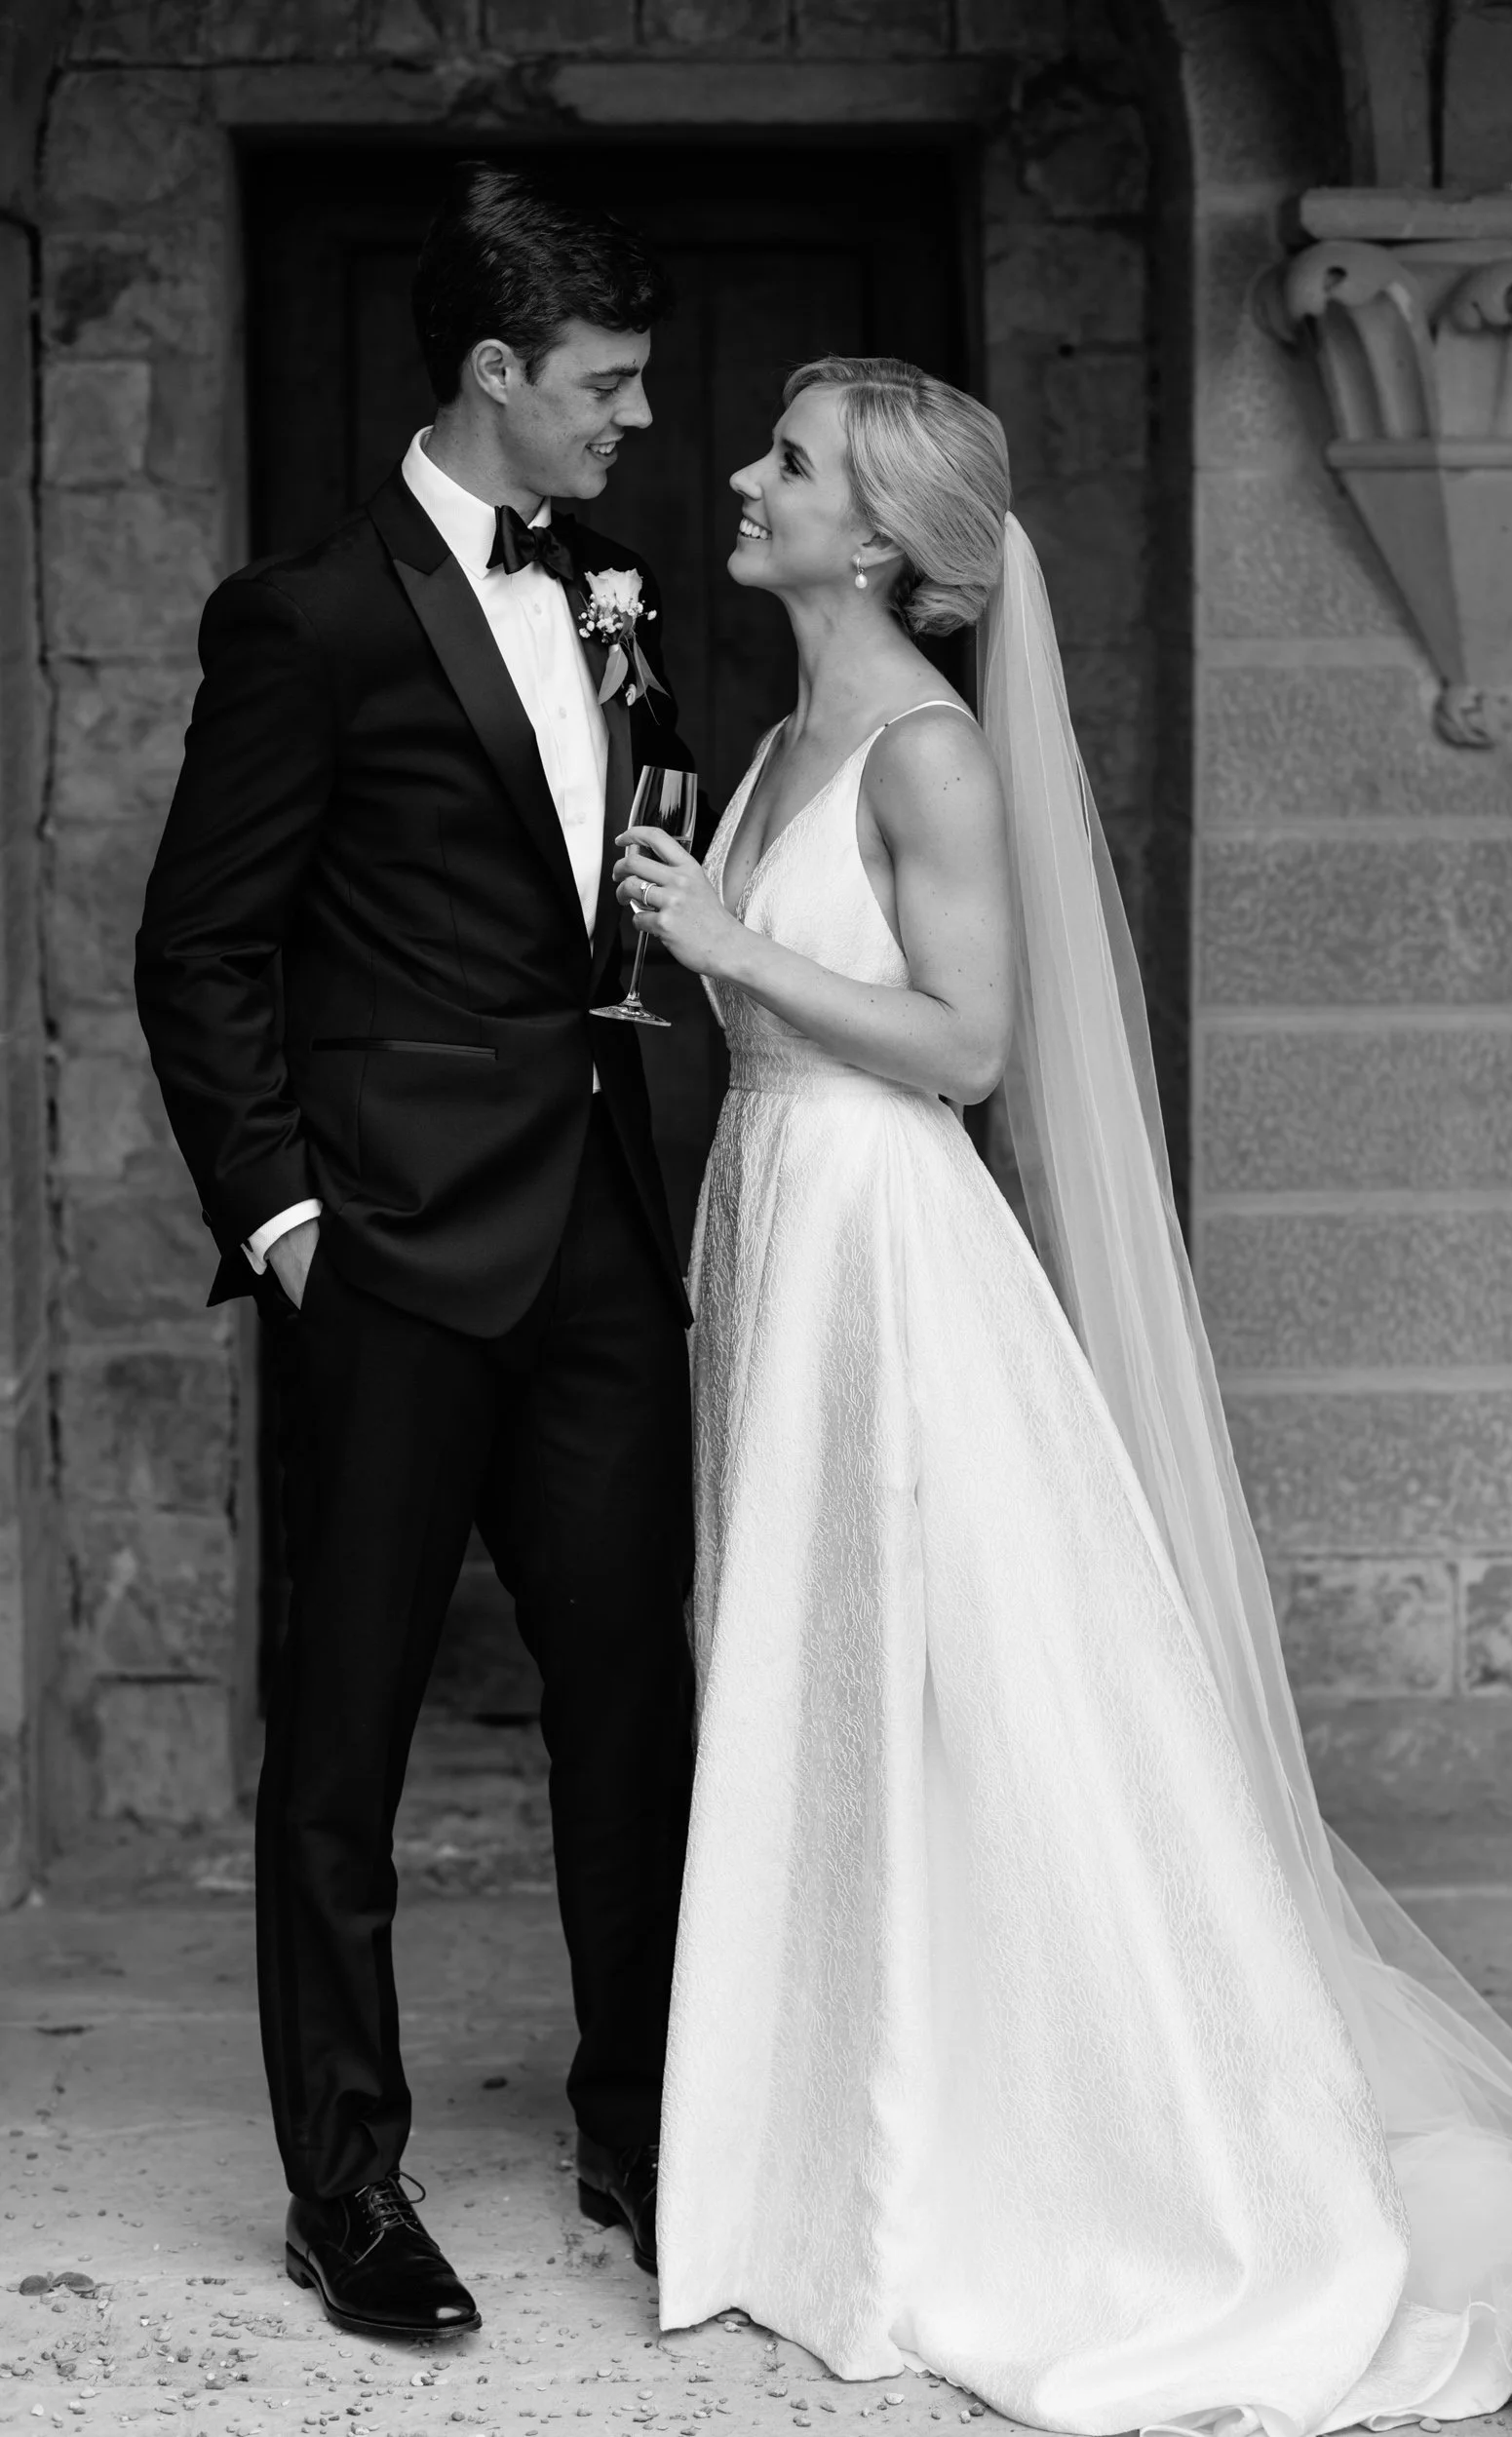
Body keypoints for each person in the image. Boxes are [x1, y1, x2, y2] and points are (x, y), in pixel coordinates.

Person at [611, 357, 1512, 2436]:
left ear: (873, 533)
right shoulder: (796, 721)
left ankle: (1021, 2157)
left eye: (784, 460)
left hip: (887, 1243)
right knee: (808, 1668)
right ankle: (804, 2159)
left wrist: (731, 943)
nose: (739, 474)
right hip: (782, 1220)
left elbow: (969, 1045)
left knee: (949, 1680)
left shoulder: (933, 749)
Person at [134, 164, 698, 2341]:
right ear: (495, 372)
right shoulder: (314, 613)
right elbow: (205, 944)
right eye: (606, 382)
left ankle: (641, 2124)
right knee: (349, 1728)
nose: (634, 417)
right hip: (383, 1246)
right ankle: (345, 2184)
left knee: (631, 1705)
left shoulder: (617, 580)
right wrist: (283, 1218)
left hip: (596, 1238)